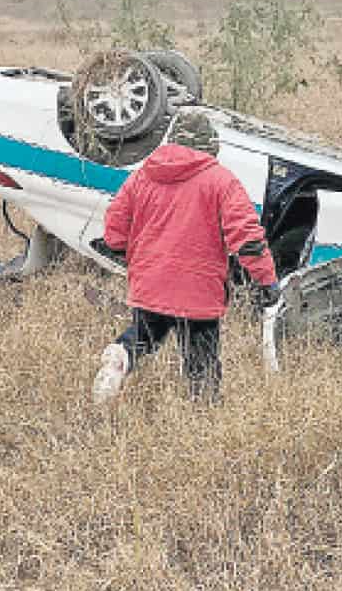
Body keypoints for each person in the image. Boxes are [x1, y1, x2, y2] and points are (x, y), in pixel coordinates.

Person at [91, 110, 278, 404]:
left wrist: (127, 253)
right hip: (198, 294)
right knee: (201, 366)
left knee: (145, 335)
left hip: (150, 283)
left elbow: (114, 228)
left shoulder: (141, 176)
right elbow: (248, 240)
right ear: (209, 144)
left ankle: (122, 354)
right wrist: (266, 280)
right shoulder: (221, 181)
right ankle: (202, 418)